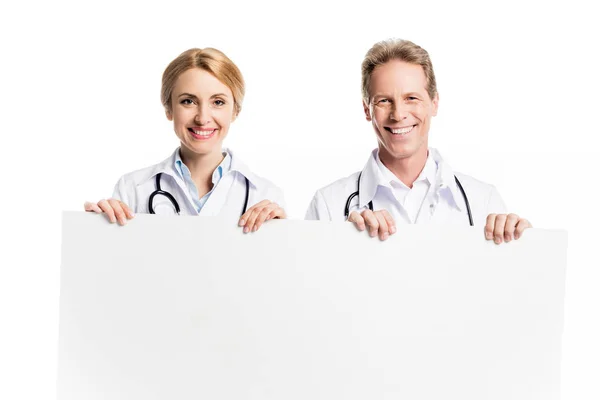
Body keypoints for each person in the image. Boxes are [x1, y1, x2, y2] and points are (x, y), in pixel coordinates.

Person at [305, 39, 531, 243]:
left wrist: (526, 247)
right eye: (384, 101)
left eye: (411, 98)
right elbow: (307, 285)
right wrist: (341, 248)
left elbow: (506, 285)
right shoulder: (329, 205)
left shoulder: (483, 201)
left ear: (434, 103)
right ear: (367, 110)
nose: (398, 114)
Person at [85, 48, 285, 233]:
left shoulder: (266, 195)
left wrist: (285, 237)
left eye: (218, 102)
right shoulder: (132, 189)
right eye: (188, 101)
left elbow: (275, 270)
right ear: (169, 109)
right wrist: (95, 229)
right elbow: (113, 266)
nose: (202, 117)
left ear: (235, 111)